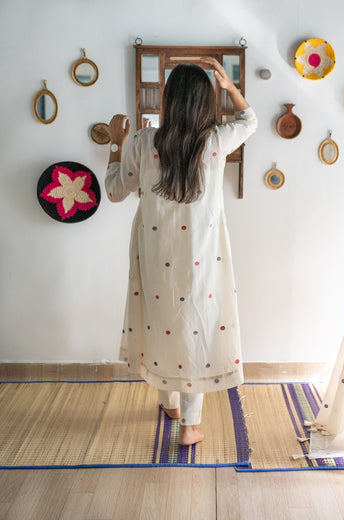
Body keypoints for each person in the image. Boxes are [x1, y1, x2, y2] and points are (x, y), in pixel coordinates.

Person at [106, 57, 257, 445]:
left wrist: (114, 144)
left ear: (168, 99)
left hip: (155, 253)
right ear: (206, 102)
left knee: (162, 319)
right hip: (203, 257)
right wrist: (231, 88)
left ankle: (169, 402)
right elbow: (250, 121)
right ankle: (189, 423)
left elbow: (114, 190)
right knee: (195, 325)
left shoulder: (142, 141)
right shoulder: (215, 140)